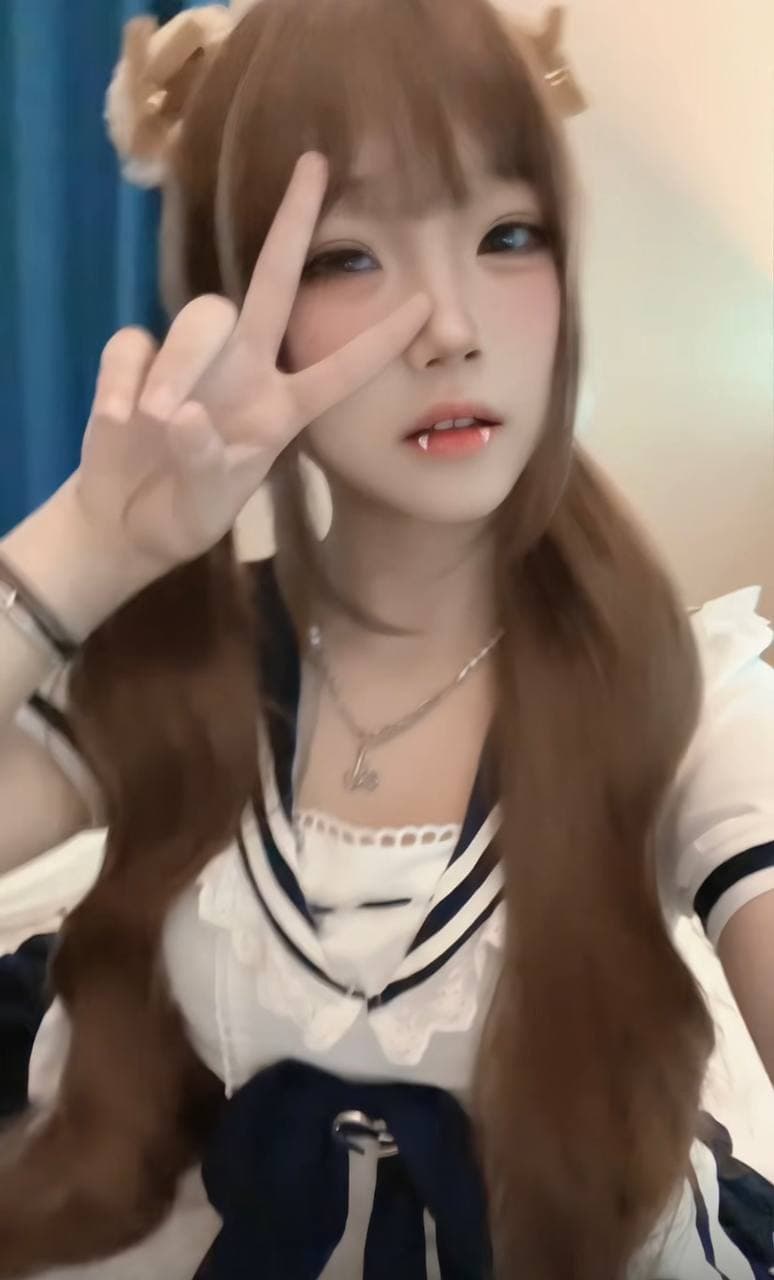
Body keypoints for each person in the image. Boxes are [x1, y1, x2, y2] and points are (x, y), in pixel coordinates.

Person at [0, 0, 772, 1276]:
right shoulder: (188, 674)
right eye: (349, 256)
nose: (450, 326)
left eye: (507, 235)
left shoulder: (682, 696)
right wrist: (92, 541)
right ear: (236, 306)